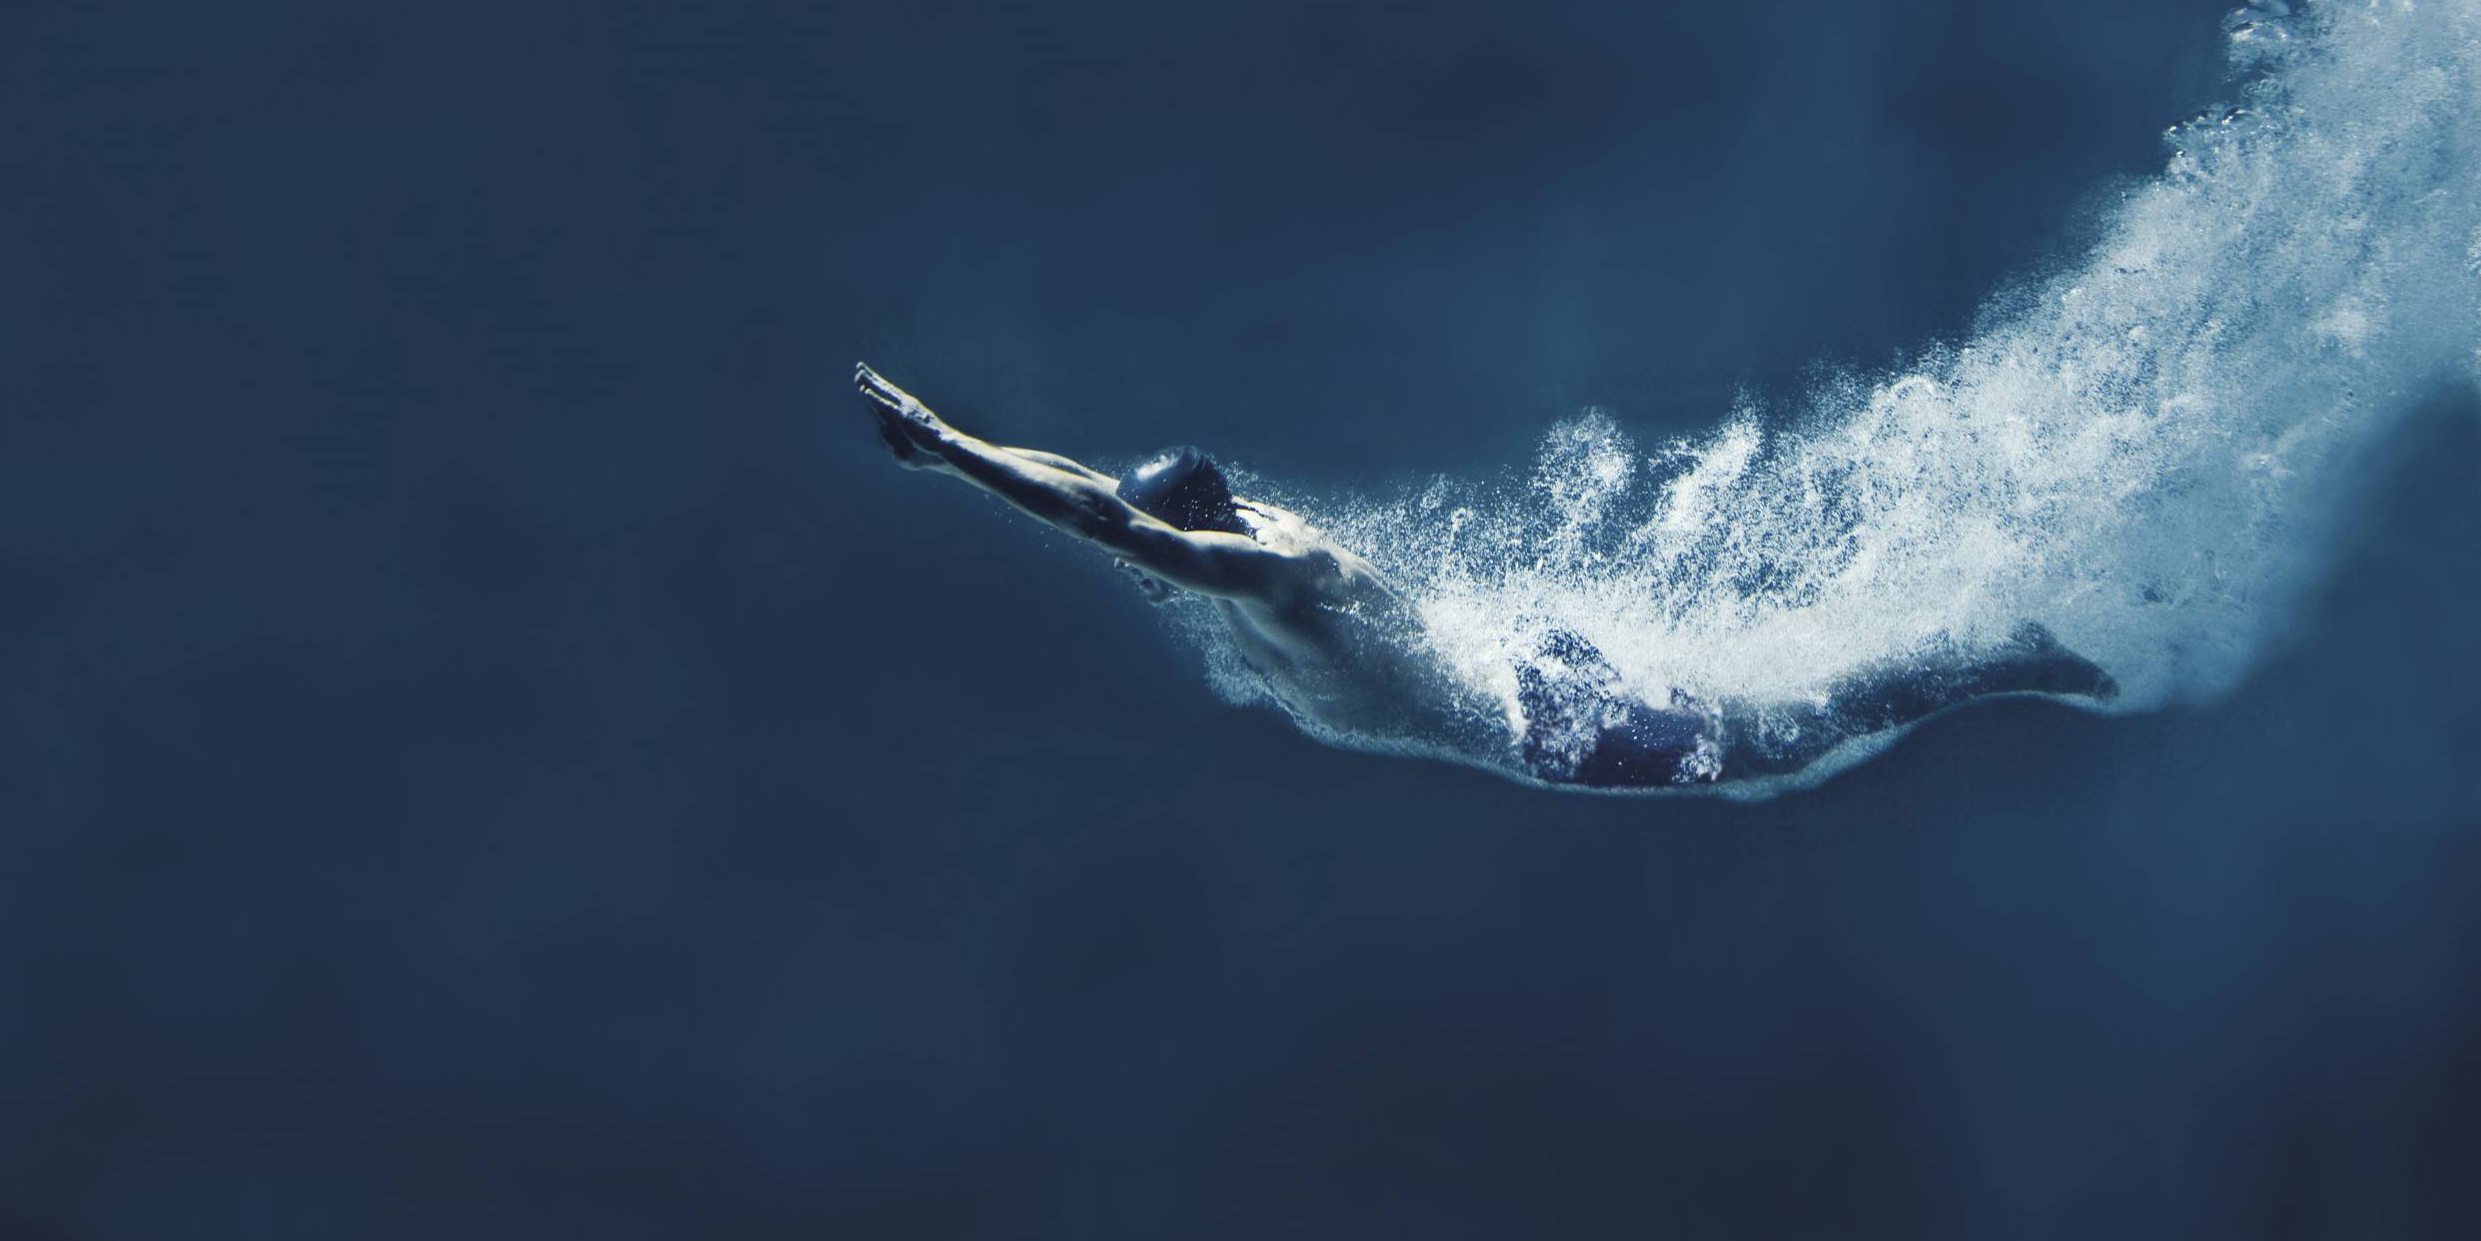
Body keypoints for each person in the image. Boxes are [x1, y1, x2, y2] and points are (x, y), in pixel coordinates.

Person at [856, 364, 2115, 789]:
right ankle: (1990, 655)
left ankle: (2012, 656)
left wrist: (956, 453)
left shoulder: (1269, 571)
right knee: (1744, 741)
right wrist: (966, 456)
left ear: (1197, 536)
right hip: (1518, 664)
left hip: (1539, 718)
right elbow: (1095, 493)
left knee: (1777, 748)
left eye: (1156, 550)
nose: (1141, 570)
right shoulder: (1234, 524)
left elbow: (1112, 529)